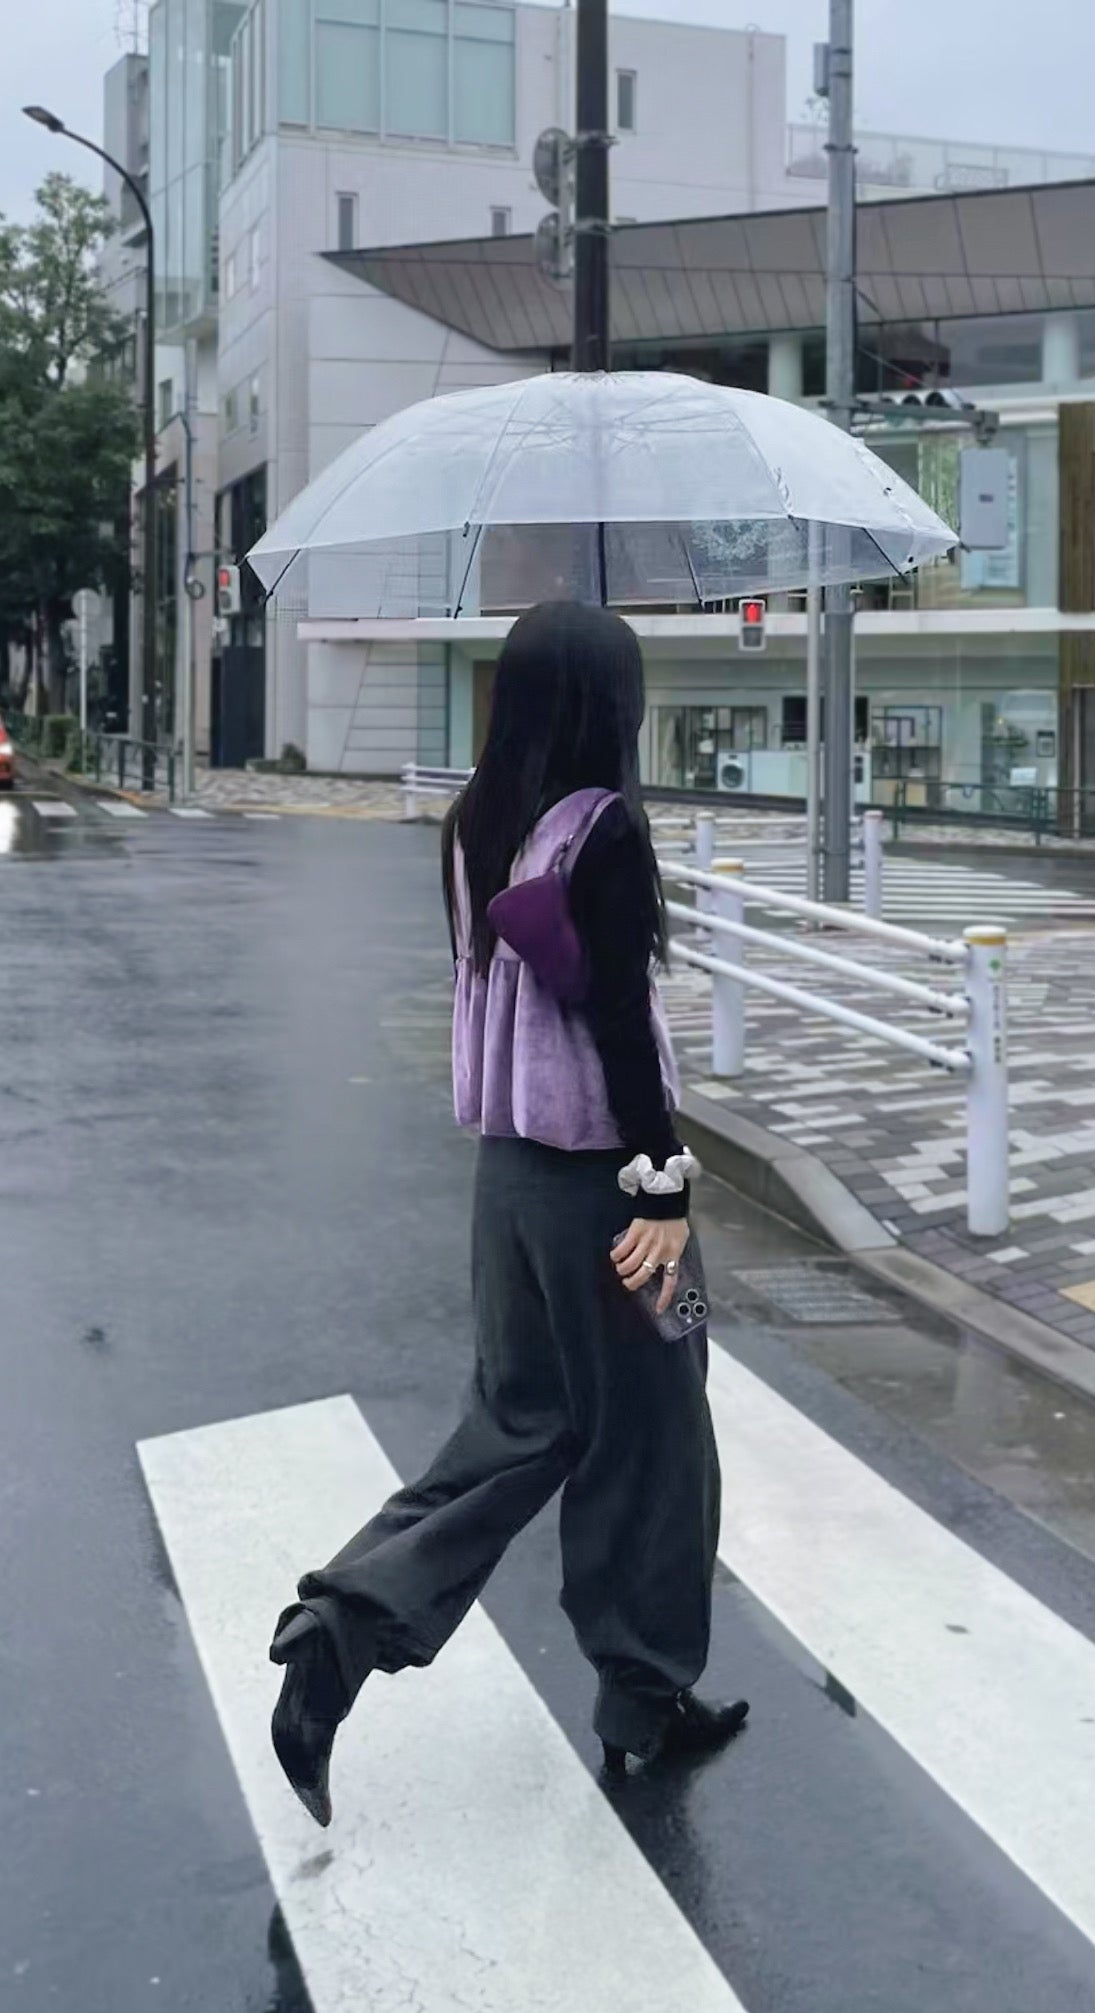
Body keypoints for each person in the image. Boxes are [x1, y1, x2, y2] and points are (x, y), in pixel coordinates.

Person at [269, 601, 747, 1827]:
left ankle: (340, 1627)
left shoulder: (475, 824)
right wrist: (666, 1187)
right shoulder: (605, 830)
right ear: (608, 702)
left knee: (516, 1425)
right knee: (663, 1442)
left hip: (509, 1185)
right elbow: (620, 1033)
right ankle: (645, 1693)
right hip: (613, 1192)